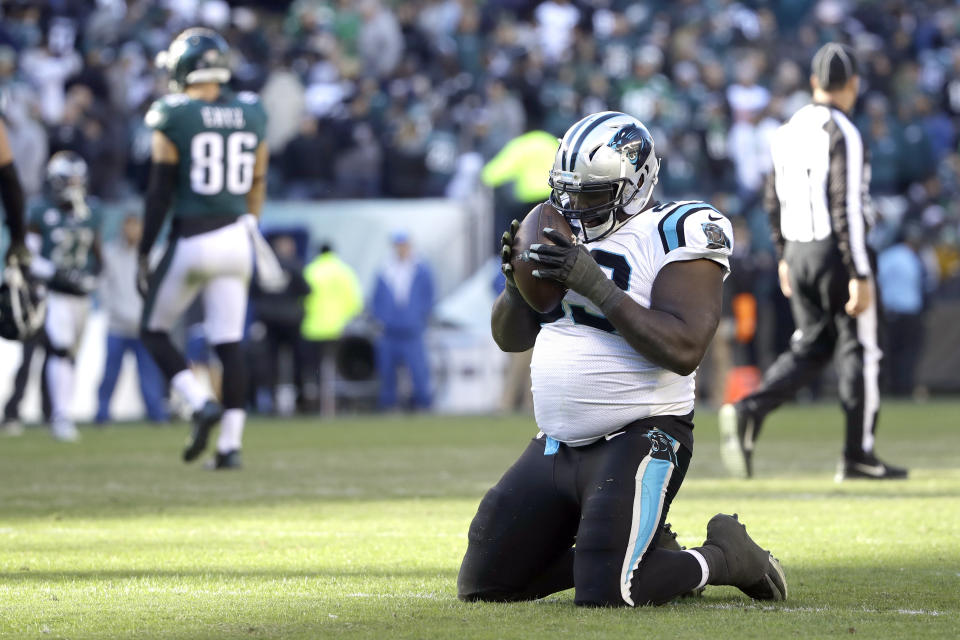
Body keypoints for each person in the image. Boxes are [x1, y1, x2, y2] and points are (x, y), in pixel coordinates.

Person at [458, 111, 786, 607]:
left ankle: (724, 556)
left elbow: (684, 349)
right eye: (565, 191)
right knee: (485, 584)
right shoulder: (554, 228)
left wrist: (596, 286)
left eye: (590, 193)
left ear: (635, 185)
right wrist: (514, 288)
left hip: (642, 433)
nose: (573, 205)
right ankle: (636, 548)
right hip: (556, 444)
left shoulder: (679, 229)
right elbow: (510, 339)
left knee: (610, 592)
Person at [718, 43, 908, 481]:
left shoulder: (785, 130)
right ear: (854, 85)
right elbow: (846, 207)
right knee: (862, 348)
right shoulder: (842, 130)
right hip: (834, 252)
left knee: (813, 346)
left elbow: (772, 200)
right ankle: (858, 454)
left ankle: (750, 408)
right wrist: (859, 271)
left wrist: (784, 256)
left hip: (798, 251)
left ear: (813, 84)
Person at [137, 28, 269, 470]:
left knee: (153, 331)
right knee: (229, 345)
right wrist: (251, 219)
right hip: (237, 236)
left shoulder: (173, 113)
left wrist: (144, 251)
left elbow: (158, 192)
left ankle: (197, 400)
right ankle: (230, 447)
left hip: (193, 236)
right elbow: (259, 178)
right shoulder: (251, 111)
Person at [26, 151, 102, 441]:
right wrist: (58, 274)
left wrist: (93, 276)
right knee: (60, 348)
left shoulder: (92, 211)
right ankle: (60, 415)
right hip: (55, 292)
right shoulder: (41, 210)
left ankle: (63, 411)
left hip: (81, 296)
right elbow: (29, 258)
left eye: (76, 179)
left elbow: (98, 256)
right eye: (68, 179)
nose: (73, 185)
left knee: (71, 355)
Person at [95, 214, 168, 424]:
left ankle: (156, 414)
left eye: (136, 226)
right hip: (117, 325)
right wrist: (113, 310)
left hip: (143, 326)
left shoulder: (152, 255)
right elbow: (103, 287)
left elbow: (159, 289)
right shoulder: (111, 253)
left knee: (149, 375)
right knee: (110, 374)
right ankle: (102, 414)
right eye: (129, 226)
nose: (132, 231)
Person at [371, 232, 434, 411]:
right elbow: (376, 298)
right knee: (387, 372)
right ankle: (388, 406)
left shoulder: (420, 268)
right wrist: (382, 318)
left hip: (412, 329)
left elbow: (428, 296)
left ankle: (423, 405)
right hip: (389, 330)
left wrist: (419, 316)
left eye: (404, 244)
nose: (401, 249)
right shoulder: (385, 269)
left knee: (418, 371)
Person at [301, 241, 363, 415]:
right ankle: (336, 404)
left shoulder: (311, 271)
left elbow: (303, 299)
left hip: (313, 328)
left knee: (316, 371)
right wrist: (342, 316)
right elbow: (355, 302)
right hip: (338, 328)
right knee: (337, 369)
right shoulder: (344, 272)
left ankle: (318, 404)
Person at [876, 223, 928, 397]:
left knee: (890, 352)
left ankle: (892, 388)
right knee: (907, 353)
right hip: (910, 313)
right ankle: (903, 387)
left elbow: (877, 281)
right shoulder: (914, 258)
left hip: (892, 312)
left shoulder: (888, 256)